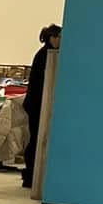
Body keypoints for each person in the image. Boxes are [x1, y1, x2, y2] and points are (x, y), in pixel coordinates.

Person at [23, 22, 61, 190]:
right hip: (37, 104)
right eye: (60, 37)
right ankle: (30, 175)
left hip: (37, 104)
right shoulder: (46, 56)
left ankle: (32, 175)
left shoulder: (48, 54)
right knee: (36, 140)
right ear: (52, 38)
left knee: (37, 139)